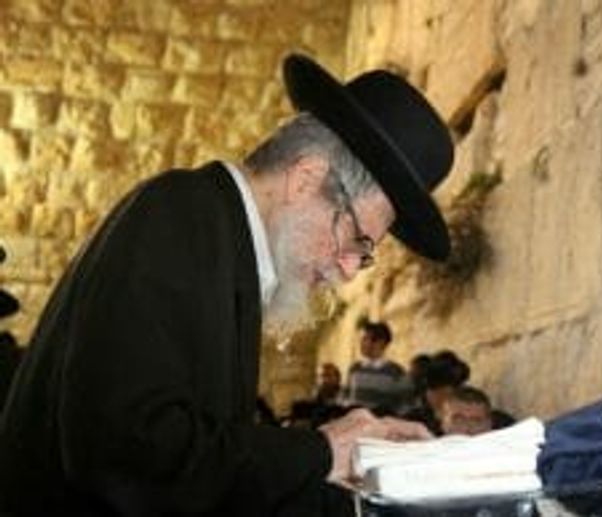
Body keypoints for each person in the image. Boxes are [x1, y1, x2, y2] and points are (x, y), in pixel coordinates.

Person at [0, 53, 454, 516]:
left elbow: (211, 471)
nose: (348, 270)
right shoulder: (179, 215)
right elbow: (123, 448)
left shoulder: (225, 244)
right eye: (357, 241)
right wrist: (319, 451)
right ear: (306, 179)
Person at [344, 321, 409, 414]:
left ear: (380, 342)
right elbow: (345, 399)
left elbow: (405, 406)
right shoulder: (355, 369)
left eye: (365, 339)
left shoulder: (397, 372)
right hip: (355, 426)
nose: (361, 343)